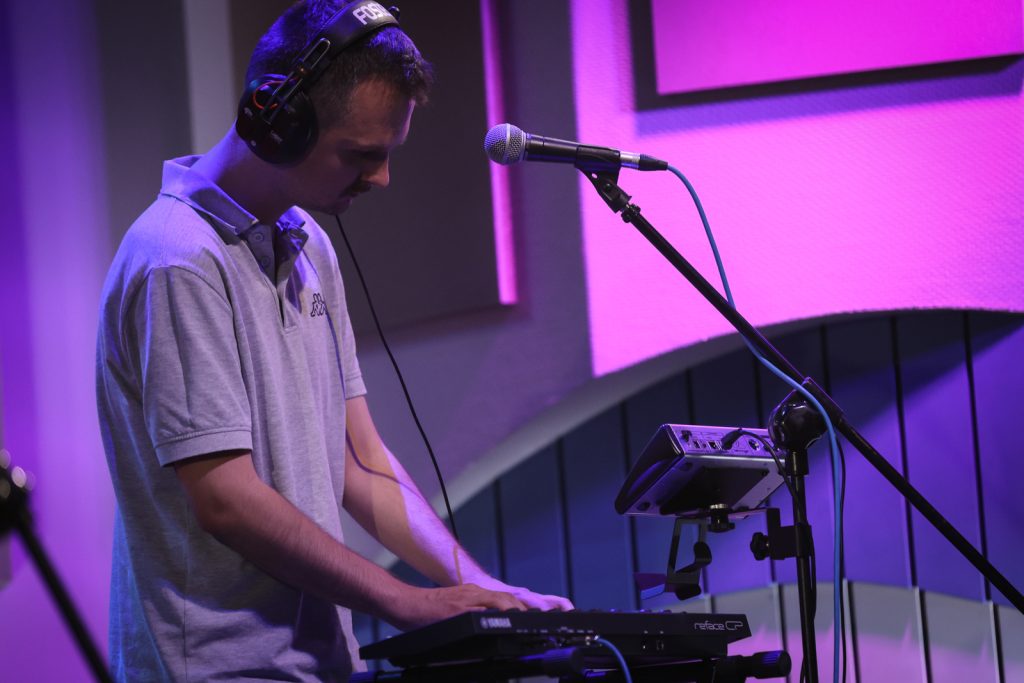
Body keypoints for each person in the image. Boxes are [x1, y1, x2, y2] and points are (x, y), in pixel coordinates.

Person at [95, 1, 571, 680]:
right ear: (278, 122)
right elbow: (225, 497)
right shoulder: (178, 259)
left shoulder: (308, 241)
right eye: (361, 155)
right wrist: (407, 601)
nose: (381, 178)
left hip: (317, 665)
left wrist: (482, 591)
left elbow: (360, 462)